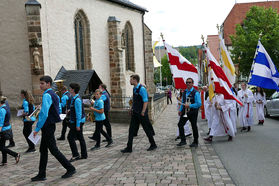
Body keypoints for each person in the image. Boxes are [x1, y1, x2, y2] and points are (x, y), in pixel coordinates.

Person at [31, 76, 75, 181]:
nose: (40, 85)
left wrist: (37, 128)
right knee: (43, 150)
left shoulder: (47, 95)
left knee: (53, 150)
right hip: (50, 125)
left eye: (42, 83)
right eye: (40, 83)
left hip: (47, 125)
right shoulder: (54, 94)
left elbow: (44, 114)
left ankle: (70, 168)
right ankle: (42, 174)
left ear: (48, 84)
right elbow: (58, 108)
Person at [121, 74, 157, 153]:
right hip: (135, 113)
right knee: (131, 130)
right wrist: (131, 108)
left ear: (135, 80)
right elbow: (134, 101)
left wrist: (143, 111)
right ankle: (129, 147)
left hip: (141, 113)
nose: (130, 81)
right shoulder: (134, 88)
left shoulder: (142, 89)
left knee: (146, 129)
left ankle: (153, 144)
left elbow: (145, 101)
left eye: (131, 79)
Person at [177, 78, 201, 148]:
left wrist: (190, 105)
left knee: (194, 126)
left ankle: (195, 141)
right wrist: (180, 110)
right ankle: (183, 140)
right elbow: (183, 102)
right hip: (185, 112)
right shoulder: (185, 92)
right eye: (187, 82)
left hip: (193, 112)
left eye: (189, 82)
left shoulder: (195, 92)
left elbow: (199, 104)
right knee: (180, 124)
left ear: (192, 83)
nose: (188, 84)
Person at [67, 83, 88, 161]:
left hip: (77, 121)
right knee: (80, 137)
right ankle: (84, 154)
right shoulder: (74, 98)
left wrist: (78, 125)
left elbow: (79, 113)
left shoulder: (77, 99)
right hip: (75, 121)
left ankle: (76, 155)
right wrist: (70, 110)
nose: (69, 89)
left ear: (73, 89)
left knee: (70, 137)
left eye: (70, 88)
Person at [0, 96, 20, 166]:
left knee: (1, 147)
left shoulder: (2, 110)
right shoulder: (5, 107)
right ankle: (4, 161)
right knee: (2, 146)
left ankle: (15, 154)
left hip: (3, 130)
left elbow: (1, 123)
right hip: (7, 128)